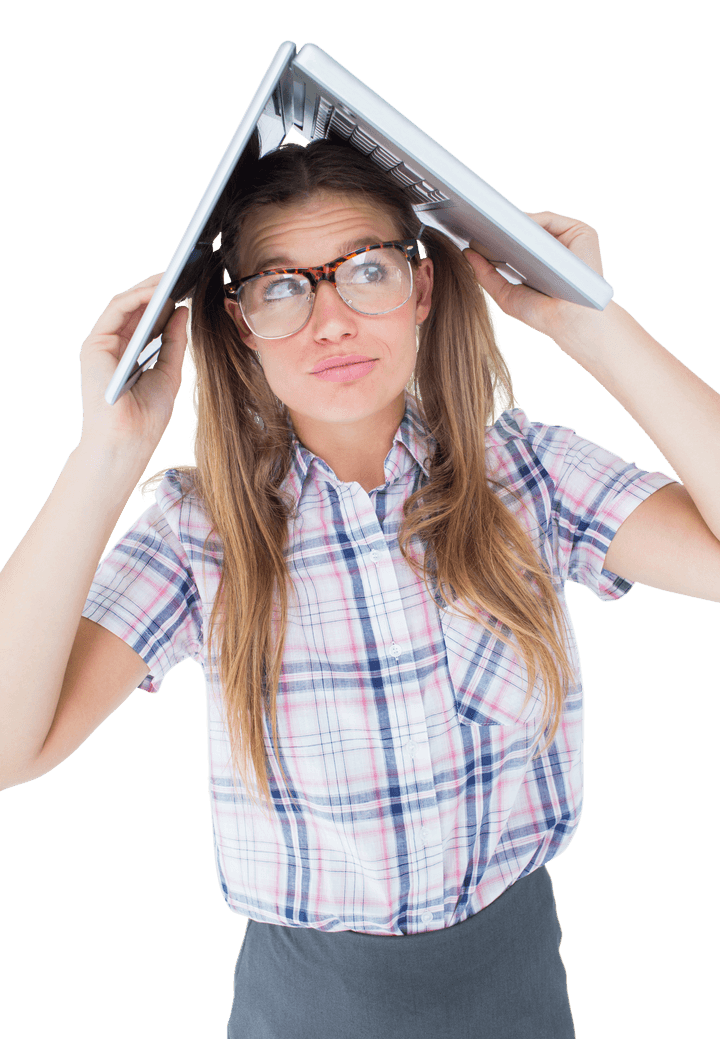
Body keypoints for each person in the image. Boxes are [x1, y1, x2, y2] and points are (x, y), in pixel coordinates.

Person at [1, 132, 719, 1039]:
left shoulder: (527, 474)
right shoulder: (201, 530)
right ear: (238, 322)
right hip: (306, 1011)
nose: (331, 321)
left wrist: (588, 320)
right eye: (283, 287)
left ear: (422, 288)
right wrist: (104, 456)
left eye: (367, 270)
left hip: (521, 997)